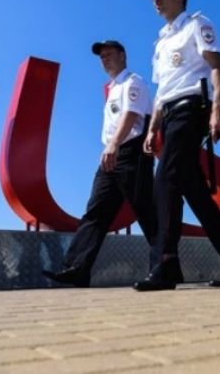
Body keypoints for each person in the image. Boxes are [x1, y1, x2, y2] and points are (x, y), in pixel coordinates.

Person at [133, 0, 220, 291]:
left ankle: (165, 266)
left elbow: (217, 66)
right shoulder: (160, 42)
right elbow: (161, 90)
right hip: (170, 113)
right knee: (195, 193)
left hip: (192, 107)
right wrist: (152, 129)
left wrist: (217, 108)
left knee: (164, 184)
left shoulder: (197, 24)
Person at [42, 40, 158, 287]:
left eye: (109, 54)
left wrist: (114, 145)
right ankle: (76, 269)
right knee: (96, 212)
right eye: (101, 56)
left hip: (131, 153)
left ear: (123, 55)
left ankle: (165, 266)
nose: (104, 59)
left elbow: (132, 115)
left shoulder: (133, 82)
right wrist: (110, 148)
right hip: (111, 154)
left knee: (146, 210)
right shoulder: (112, 88)